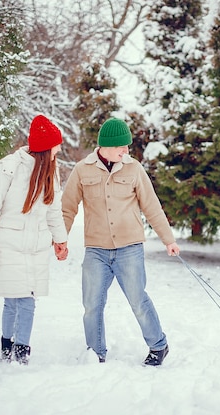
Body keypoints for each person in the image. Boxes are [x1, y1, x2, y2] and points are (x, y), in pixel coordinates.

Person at [61, 117, 180, 366]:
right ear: (106, 146)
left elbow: (152, 206)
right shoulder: (82, 169)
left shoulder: (134, 168)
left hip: (129, 248)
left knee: (138, 300)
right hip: (96, 250)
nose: (126, 151)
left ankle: (159, 345)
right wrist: (60, 239)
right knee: (92, 304)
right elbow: (67, 208)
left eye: (127, 147)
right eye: (121, 147)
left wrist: (168, 239)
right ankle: (96, 351)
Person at [0, 114, 68, 365]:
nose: (59, 150)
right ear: (44, 148)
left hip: (37, 248)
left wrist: (60, 241)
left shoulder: (52, 171)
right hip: (9, 245)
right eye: (55, 146)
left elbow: (53, 210)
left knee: (28, 300)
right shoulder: (9, 167)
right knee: (11, 300)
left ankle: (22, 352)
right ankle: (6, 347)